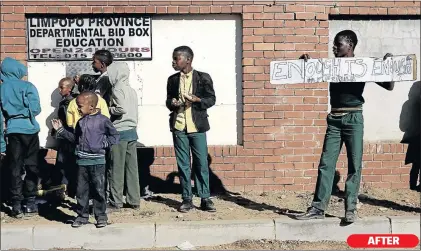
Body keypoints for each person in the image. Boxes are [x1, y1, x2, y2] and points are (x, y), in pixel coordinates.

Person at [295, 30, 395, 223]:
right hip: (334, 119)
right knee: (326, 164)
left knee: (354, 165)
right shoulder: (330, 66)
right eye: (334, 44)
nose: (334, 47)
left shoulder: (362, 66)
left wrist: (388, 67)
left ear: (349, 45)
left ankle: (350, 209)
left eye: (338, 44)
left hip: (354, 118)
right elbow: (307, 73)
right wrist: (304, 63)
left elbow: (388, 86)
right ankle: (318, 208)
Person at [52, 91, 119, 228]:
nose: (78, 109)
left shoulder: (103, 121)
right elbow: (75, 139)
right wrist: (61, 131)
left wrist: (102, 144)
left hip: (98, 162)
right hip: (82, 162)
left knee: (99, 190)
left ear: (92, 106)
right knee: (81, 191)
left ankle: (101, 216)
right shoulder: (81, 122)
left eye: (80, 106)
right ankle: (82, 216)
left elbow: (114, 136)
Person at [166, 46, 216, 213]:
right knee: (183, 164)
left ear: (188, 60)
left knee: (201, 163)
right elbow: (168, 100)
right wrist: (172, 103)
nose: (174, 61)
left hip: (197, 126)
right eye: (174, 58)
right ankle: (187, 198)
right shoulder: (172, 79)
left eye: (177, 58)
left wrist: (197, 100)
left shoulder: (203, 77)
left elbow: (211, 99)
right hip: (179, 125)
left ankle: (205, 198)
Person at [0, 57, 41, 218]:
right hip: (30, 130)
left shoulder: (2, 89)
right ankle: (30, 203)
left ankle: (16, 205)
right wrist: (26, 113)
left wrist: (2, 145)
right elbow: (36, 109)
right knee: (32, 165)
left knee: (15, 168)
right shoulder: (28, 86)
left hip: (12, 131)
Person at [106, 62, 141, 211]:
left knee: (116, 169)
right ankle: (134, 200)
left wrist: (109, 108)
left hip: (119, 132)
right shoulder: (131, 90)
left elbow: (121, 109)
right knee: (132, 168)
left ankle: (116, 201)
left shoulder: (117, 89)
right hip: (132, 131)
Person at [50, 77, 78, 199]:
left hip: (69, 137)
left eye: (62, 87)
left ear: (70, 88)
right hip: (64, 137)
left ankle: (68, 190)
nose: (59, 89)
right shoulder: (64, 101)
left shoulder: (72, 102)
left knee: (66, 165)